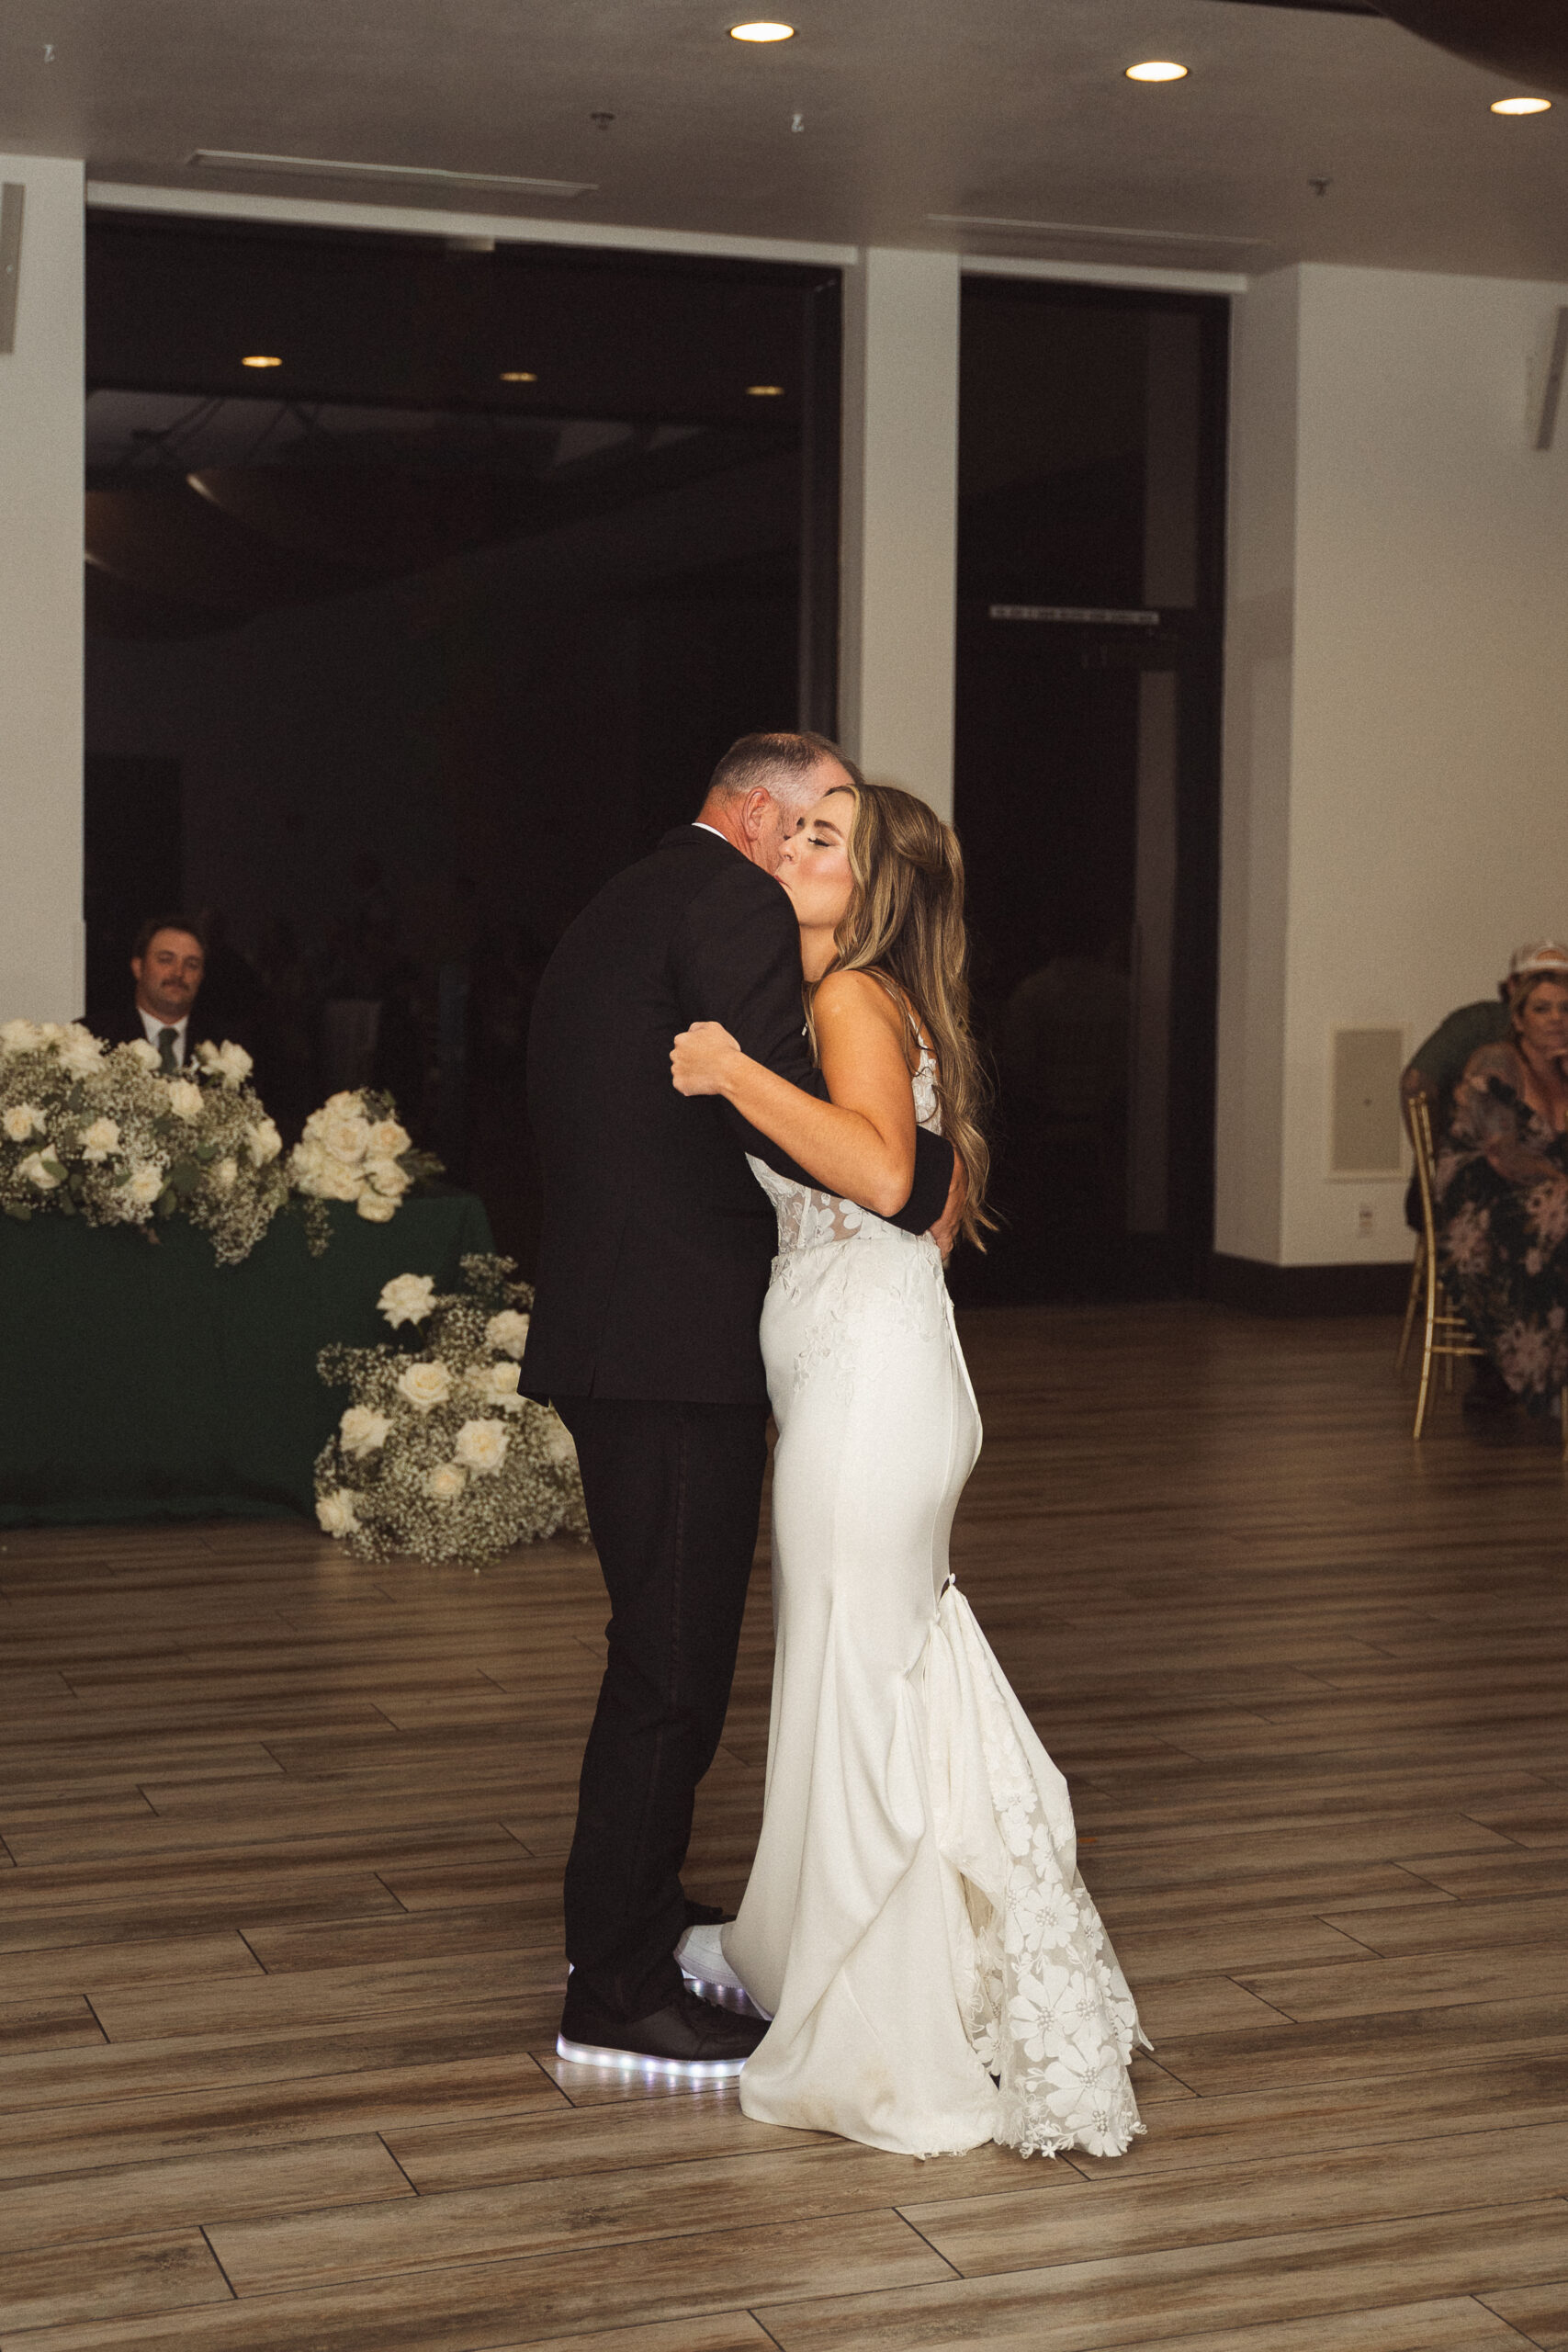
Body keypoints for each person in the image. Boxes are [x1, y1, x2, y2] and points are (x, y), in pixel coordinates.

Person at [671, 779, 1145, 2161]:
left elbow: (885, 1178)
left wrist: (730, 1072)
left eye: (823, 838)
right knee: (862, 1668)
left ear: (873, 885)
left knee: (854, 1680)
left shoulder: (850, 999)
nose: (791, 847)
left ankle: (879, 2029)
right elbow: (928, 1199)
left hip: (870, 1392)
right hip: (868, 1375)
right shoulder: (870, 1001)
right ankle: (852, 1951)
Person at [524, 732, 960, 2080]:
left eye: (842, 837)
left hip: (641, 1334)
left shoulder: (635, 894)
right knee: (670, 1669)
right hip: (668, 1350)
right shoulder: (727, 902)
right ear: (761, 818)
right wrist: (930, 1172)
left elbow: (789, 1118)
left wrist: (910, 1156)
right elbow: (833, 1140)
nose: (809, 851)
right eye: (812, 821)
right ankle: (613, 1985)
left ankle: (644, 1918)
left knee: (677, 1656)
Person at [1433, 965, 1568, 1418]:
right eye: (1542, 1009)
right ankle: (1550, 1380)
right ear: (1518, 1019)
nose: (1557, 1019)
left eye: (1566, 1008)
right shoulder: (1498, 1061)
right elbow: (1503, 1155)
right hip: (1486, 1204)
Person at [85, 916, 209, 1071]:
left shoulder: (225, 1048)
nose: (179, 973)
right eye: (166, 960)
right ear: (138, 967)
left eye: (191, 965)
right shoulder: (91, 1040)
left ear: (201, 976)